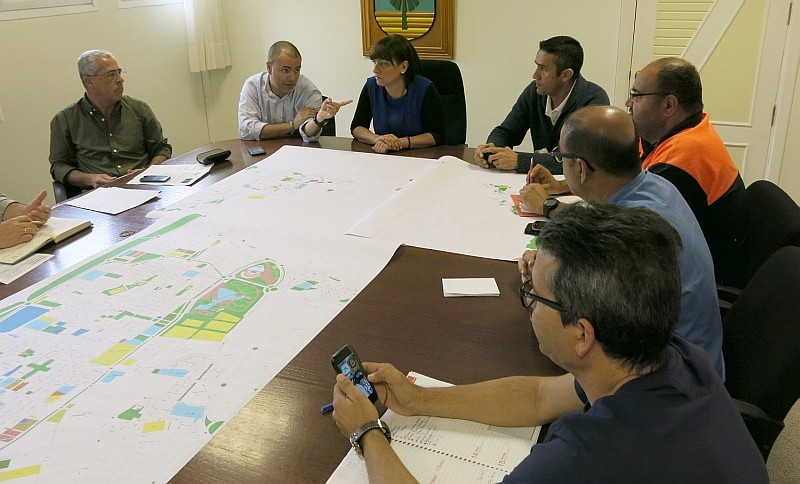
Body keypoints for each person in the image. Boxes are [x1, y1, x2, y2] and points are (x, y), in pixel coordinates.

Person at [331, 203, 768, 483]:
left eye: (534, 296)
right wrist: (418, 399)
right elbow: (540, 396)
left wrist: (367, 432)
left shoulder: (582, 461)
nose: (528, 305)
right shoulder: (668, 354)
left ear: (582, 334)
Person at [519, 105, 724, 378]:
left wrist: (538, 285)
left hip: (672, 379)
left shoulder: (630, 234)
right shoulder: (654, 186)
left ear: (580, 168)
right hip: (694, 352)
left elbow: (576, 325)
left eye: (560, 158)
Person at [626, 57, 748, 287]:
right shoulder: (680, 132)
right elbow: (625, 173)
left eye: (637, 95)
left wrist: (552, 209)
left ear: (669, 105)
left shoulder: (683, 159)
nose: (628, 102)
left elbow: (629, 234)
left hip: (691, 284)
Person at [475, 36, 609, 174]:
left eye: (543, 68)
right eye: (536, 66)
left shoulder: (594, 101)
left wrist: (521, 161)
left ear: (566, 75)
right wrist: (490, 150)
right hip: (538, 184)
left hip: (572, 191)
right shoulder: (535, 91)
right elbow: (506, 132)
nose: (535, 75)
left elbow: (575, 160)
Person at [49, 50, 172, 190]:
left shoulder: (138, 109)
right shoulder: (65, 119)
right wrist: (90, 178)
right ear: (88, 81)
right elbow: (59, 167)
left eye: (119, 72)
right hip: (99, 196)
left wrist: (149, 171)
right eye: (111, 74)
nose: (120, 79)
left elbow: (162, 148)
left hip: (143, 186)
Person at [238, 41, 352, 142]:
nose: (292, 78)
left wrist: (318, 120)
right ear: (269, 67)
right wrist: (291, 125)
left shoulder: (308, 90)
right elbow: (246, 129)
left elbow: (308, 134)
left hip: (298, 153)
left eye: (297, 70)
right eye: (285, 70)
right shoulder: (253, 86)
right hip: (263, 153)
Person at [351, 34, 444, 154]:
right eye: (375, 62)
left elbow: (437, 135)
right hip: (384, 156)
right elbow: (357, 127)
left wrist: (400, 142)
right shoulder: (371, 86)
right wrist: (378, 139)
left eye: (384, 64)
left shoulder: (425, 89)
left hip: (420, 158)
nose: (375, 70)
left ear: (403, 66)